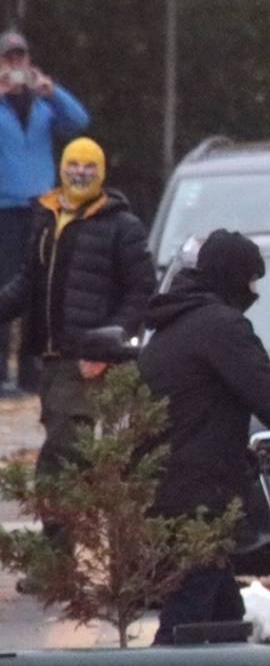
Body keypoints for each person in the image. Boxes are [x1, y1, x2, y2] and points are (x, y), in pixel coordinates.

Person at [138, 231, 270, 658]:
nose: (254, 293)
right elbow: (269, 396)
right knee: (182, 625)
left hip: (173, 488)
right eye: (251, 281)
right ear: (231, 277)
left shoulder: (174, 327)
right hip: (198, 497)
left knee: (225, 622)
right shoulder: (220, 327)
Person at [0, 137, 151, 552]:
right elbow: (28, 283)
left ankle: (60, 558)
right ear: (61, 168)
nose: (80, 172)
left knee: (61, 460)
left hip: (86, 363)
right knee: (69, 456)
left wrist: (104, 350)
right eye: (73, 164)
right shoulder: (48, 218)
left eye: (89, 166)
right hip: (51, 362)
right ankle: (74, 555)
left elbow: (141, 295)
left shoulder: (122, 227)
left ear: (101, 173)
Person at [0, 32, 91, 395]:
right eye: (8, 59)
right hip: (5, 209)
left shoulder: (43, 105)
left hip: (43, 207)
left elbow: (79, 122)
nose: (15, 65)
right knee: (6, 287)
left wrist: (52, 91)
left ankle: (29, 371)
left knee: (41, 286)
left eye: (19, 58)